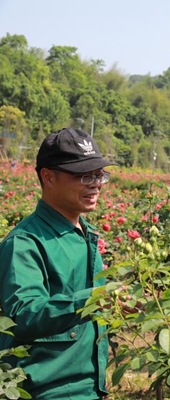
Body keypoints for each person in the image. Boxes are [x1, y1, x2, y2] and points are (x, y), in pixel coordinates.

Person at [0, 127, 118, 399]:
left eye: (100, 175)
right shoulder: (25, 242)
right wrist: (92, 300)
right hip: (47, 390)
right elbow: (23, 314)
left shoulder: (84, 234)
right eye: (83, 175)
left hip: (89, 387)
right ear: (48, 177)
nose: (96, 183)